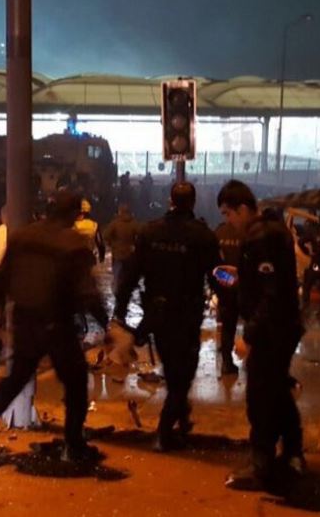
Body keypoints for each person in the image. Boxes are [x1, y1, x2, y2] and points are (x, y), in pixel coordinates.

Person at [0, 191, 108, 463]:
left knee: (14, 381)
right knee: (76, 383)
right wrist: (105, 323)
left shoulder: (23, 236)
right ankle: (74, 445)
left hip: (24, 320)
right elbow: (88, 292)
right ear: (73, 214)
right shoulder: (73, 243)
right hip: (57, 324)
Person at [115, 182, 219, 451]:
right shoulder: (203, 235)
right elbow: (218, 276)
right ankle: (163, 433)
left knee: (173, 371)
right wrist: (234, 296)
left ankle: (181, 419)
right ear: (193, 202)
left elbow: (130, 275)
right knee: (182, 375)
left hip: (157, 315)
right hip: (186, 315)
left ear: (170, 201)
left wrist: (120, 311)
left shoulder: (150, 231)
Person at [216, 180, 305, 492]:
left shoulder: (261, 237)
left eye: (228, 214)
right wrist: (242, 276)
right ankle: (293, 453)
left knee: (260, 398)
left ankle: (261, 466)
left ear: (243, 209)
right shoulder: (272, 229)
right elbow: (271, 282)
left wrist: (249, 336)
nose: (228, 221)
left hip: (271, 332)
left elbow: (271, 294)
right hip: (284, 327)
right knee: (278, 392)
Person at [213, 217, 244, 376]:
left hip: (226, 287)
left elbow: (213, 265)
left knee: (228, 326)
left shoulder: (219, 232)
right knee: (252, 324)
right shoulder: (249, 232)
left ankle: (226, 362)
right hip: (246, 287)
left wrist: (227, 281)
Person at [102, 203, 140, 297]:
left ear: (120, 212)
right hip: (129, 254)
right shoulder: (134, 223)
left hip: (117, 253)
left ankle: (117, 292)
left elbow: (105, 235)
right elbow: (141, 235)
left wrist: (111, 244)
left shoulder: (115, 223)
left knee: (117, 274)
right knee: (127, 274)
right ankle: (126, 292)